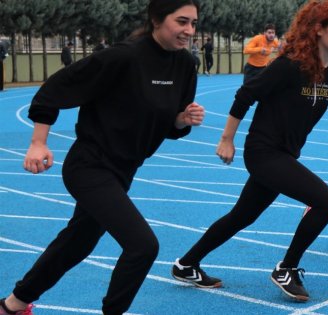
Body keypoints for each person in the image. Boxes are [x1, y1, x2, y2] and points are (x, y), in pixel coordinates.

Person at [171, 0, 328, 302]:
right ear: (318, 30)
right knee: (326, 202)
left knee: (241, 216)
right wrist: (227, 139)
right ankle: (287, 268)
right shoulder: (290, 66)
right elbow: (246, 94)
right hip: (264, 153)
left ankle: (186, 264)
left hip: (285, 155)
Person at [0, 1, 204, 314]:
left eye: (193, 23)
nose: (189, 31)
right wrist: (38, 143)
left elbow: (169, 125)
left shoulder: (185, 65)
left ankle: (13, 305)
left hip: (125, 169)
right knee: (143, 246)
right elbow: (56, 87)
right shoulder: (123, 56)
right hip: (90, 164)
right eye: (181, 22)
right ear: (156, 20)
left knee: (77, 242)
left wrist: (182, 119)